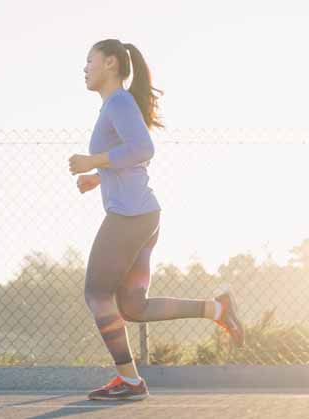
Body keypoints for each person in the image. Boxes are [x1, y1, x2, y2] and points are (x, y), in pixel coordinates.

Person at [69, 39, 245, 401]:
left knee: (97, 294)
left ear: (111, 64)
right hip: (143, 215)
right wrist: (98, 177)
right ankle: (217, 309)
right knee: (133, 306)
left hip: (130, 216)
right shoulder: (115, 105)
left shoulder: (118, 102)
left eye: (90, 61)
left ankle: (130, 382)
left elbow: (144, 148)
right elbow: (134, 158)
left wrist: (93, 162)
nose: (84, 68)